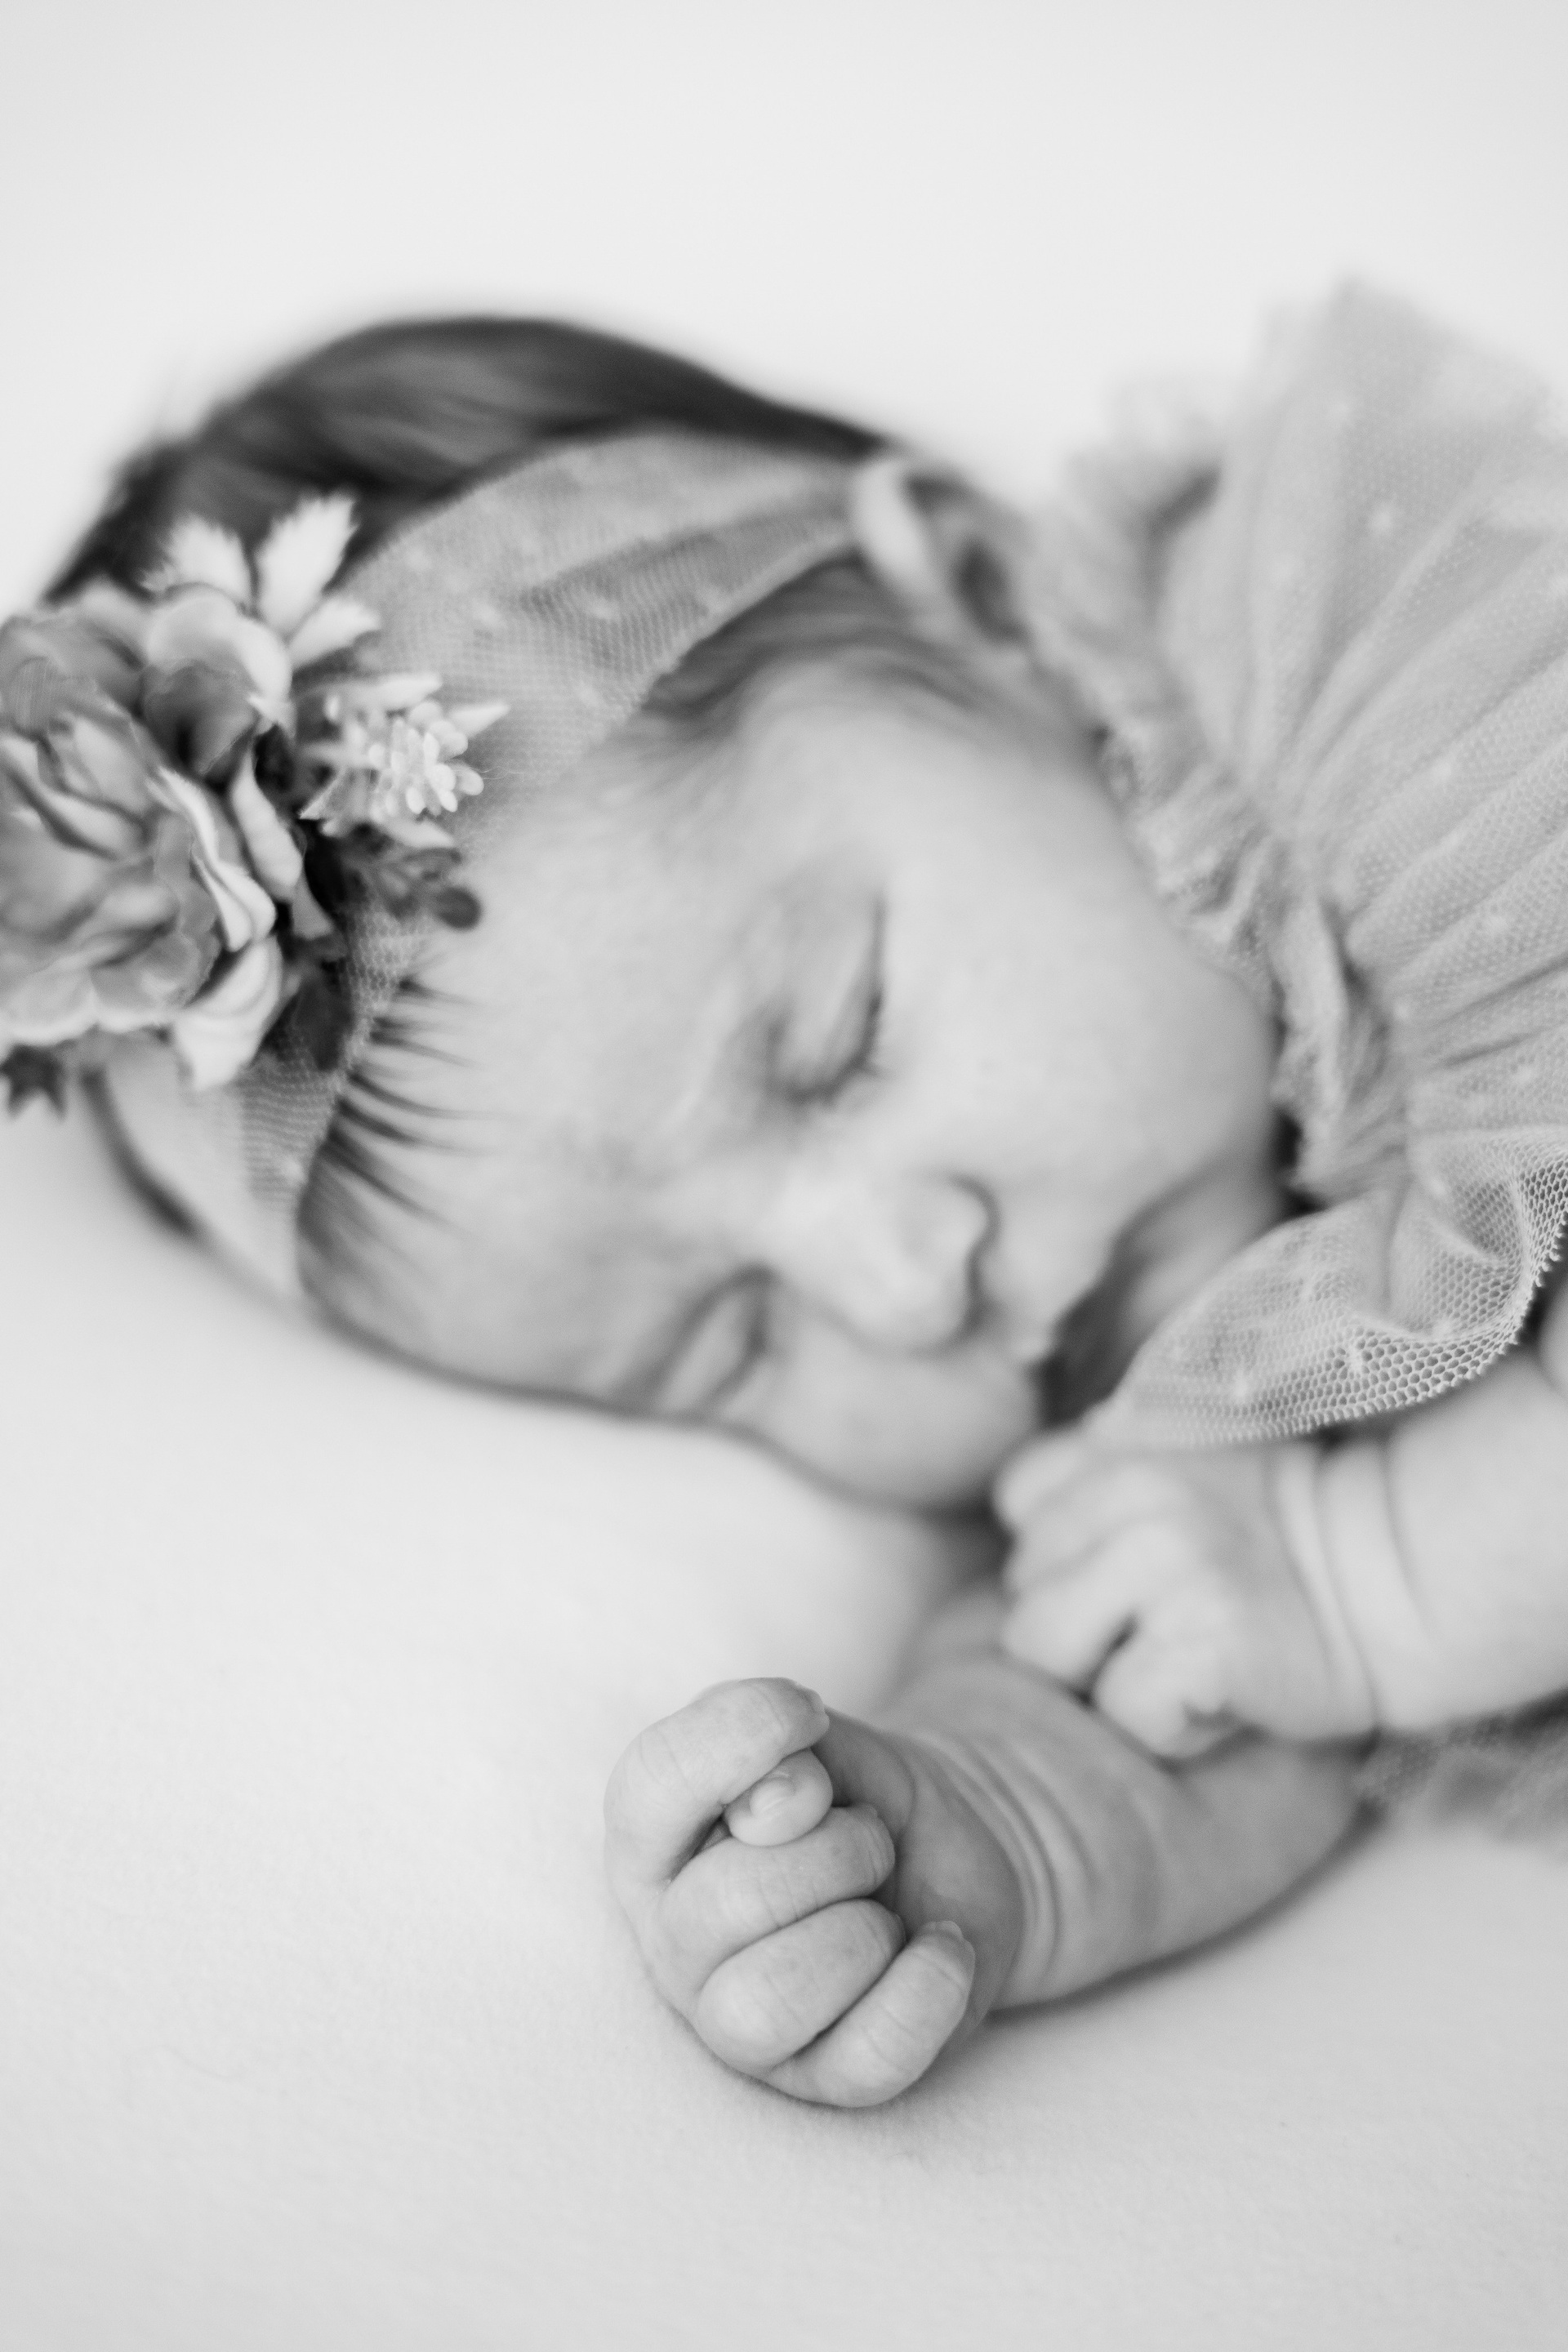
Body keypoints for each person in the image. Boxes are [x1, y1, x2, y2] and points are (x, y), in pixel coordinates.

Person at [2, 287, 1562, 2108]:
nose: (905, 1292)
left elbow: (1337, 1594)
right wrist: (1007, 1818)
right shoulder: (1164, 1417)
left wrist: (1380, 1578)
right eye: (725, 1344)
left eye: (839, 1046)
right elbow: (1189, 1637)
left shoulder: (1405, 706)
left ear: (989, 608)